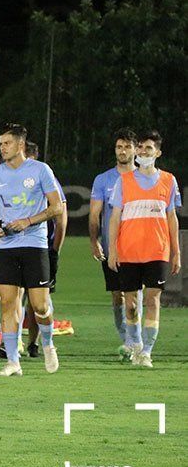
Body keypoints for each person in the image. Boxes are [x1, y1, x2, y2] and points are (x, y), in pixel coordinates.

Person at [0, 123, 63, 377]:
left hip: (35, 244)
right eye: (1, 143)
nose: (2, 148)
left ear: (20, 145)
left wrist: (28, 221)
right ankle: (13, 362)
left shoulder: (40, 170)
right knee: (7, 303)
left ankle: (48, 343)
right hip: (7, 247)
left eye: (6, 143)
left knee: (39, 306)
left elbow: (57, 207)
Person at [108, 129, 181, 368]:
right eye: (140, 147)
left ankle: (146, 351)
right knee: (130, 305)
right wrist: (113, 249)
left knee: (153, 301)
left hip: (157, 251)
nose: (142, 151)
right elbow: (115, 217)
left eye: (148, 148)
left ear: (157, 153)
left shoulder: (168, 180)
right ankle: (135, 344)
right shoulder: (124, 181)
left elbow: (172, 218)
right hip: (129, 251)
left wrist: (176, 251)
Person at [90, 128, 139, 359]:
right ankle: (127, 338)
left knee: (135, 297)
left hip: (139, 249)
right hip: (113, 250)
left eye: (127, 146)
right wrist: (94, 241)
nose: (122, 151)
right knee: (118, 296)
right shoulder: (104, 179)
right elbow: (94, 215)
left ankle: (134, 342)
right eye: (119, 146)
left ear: (135, 150)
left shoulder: (144, 178)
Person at [21, 141, 70, 358]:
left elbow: (61, 219)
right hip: (16, 246)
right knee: (14, 296)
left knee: (38, 300)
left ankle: (35, 342)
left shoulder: (46, 178)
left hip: (41, 248)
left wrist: (54, 251)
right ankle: (13, 344)